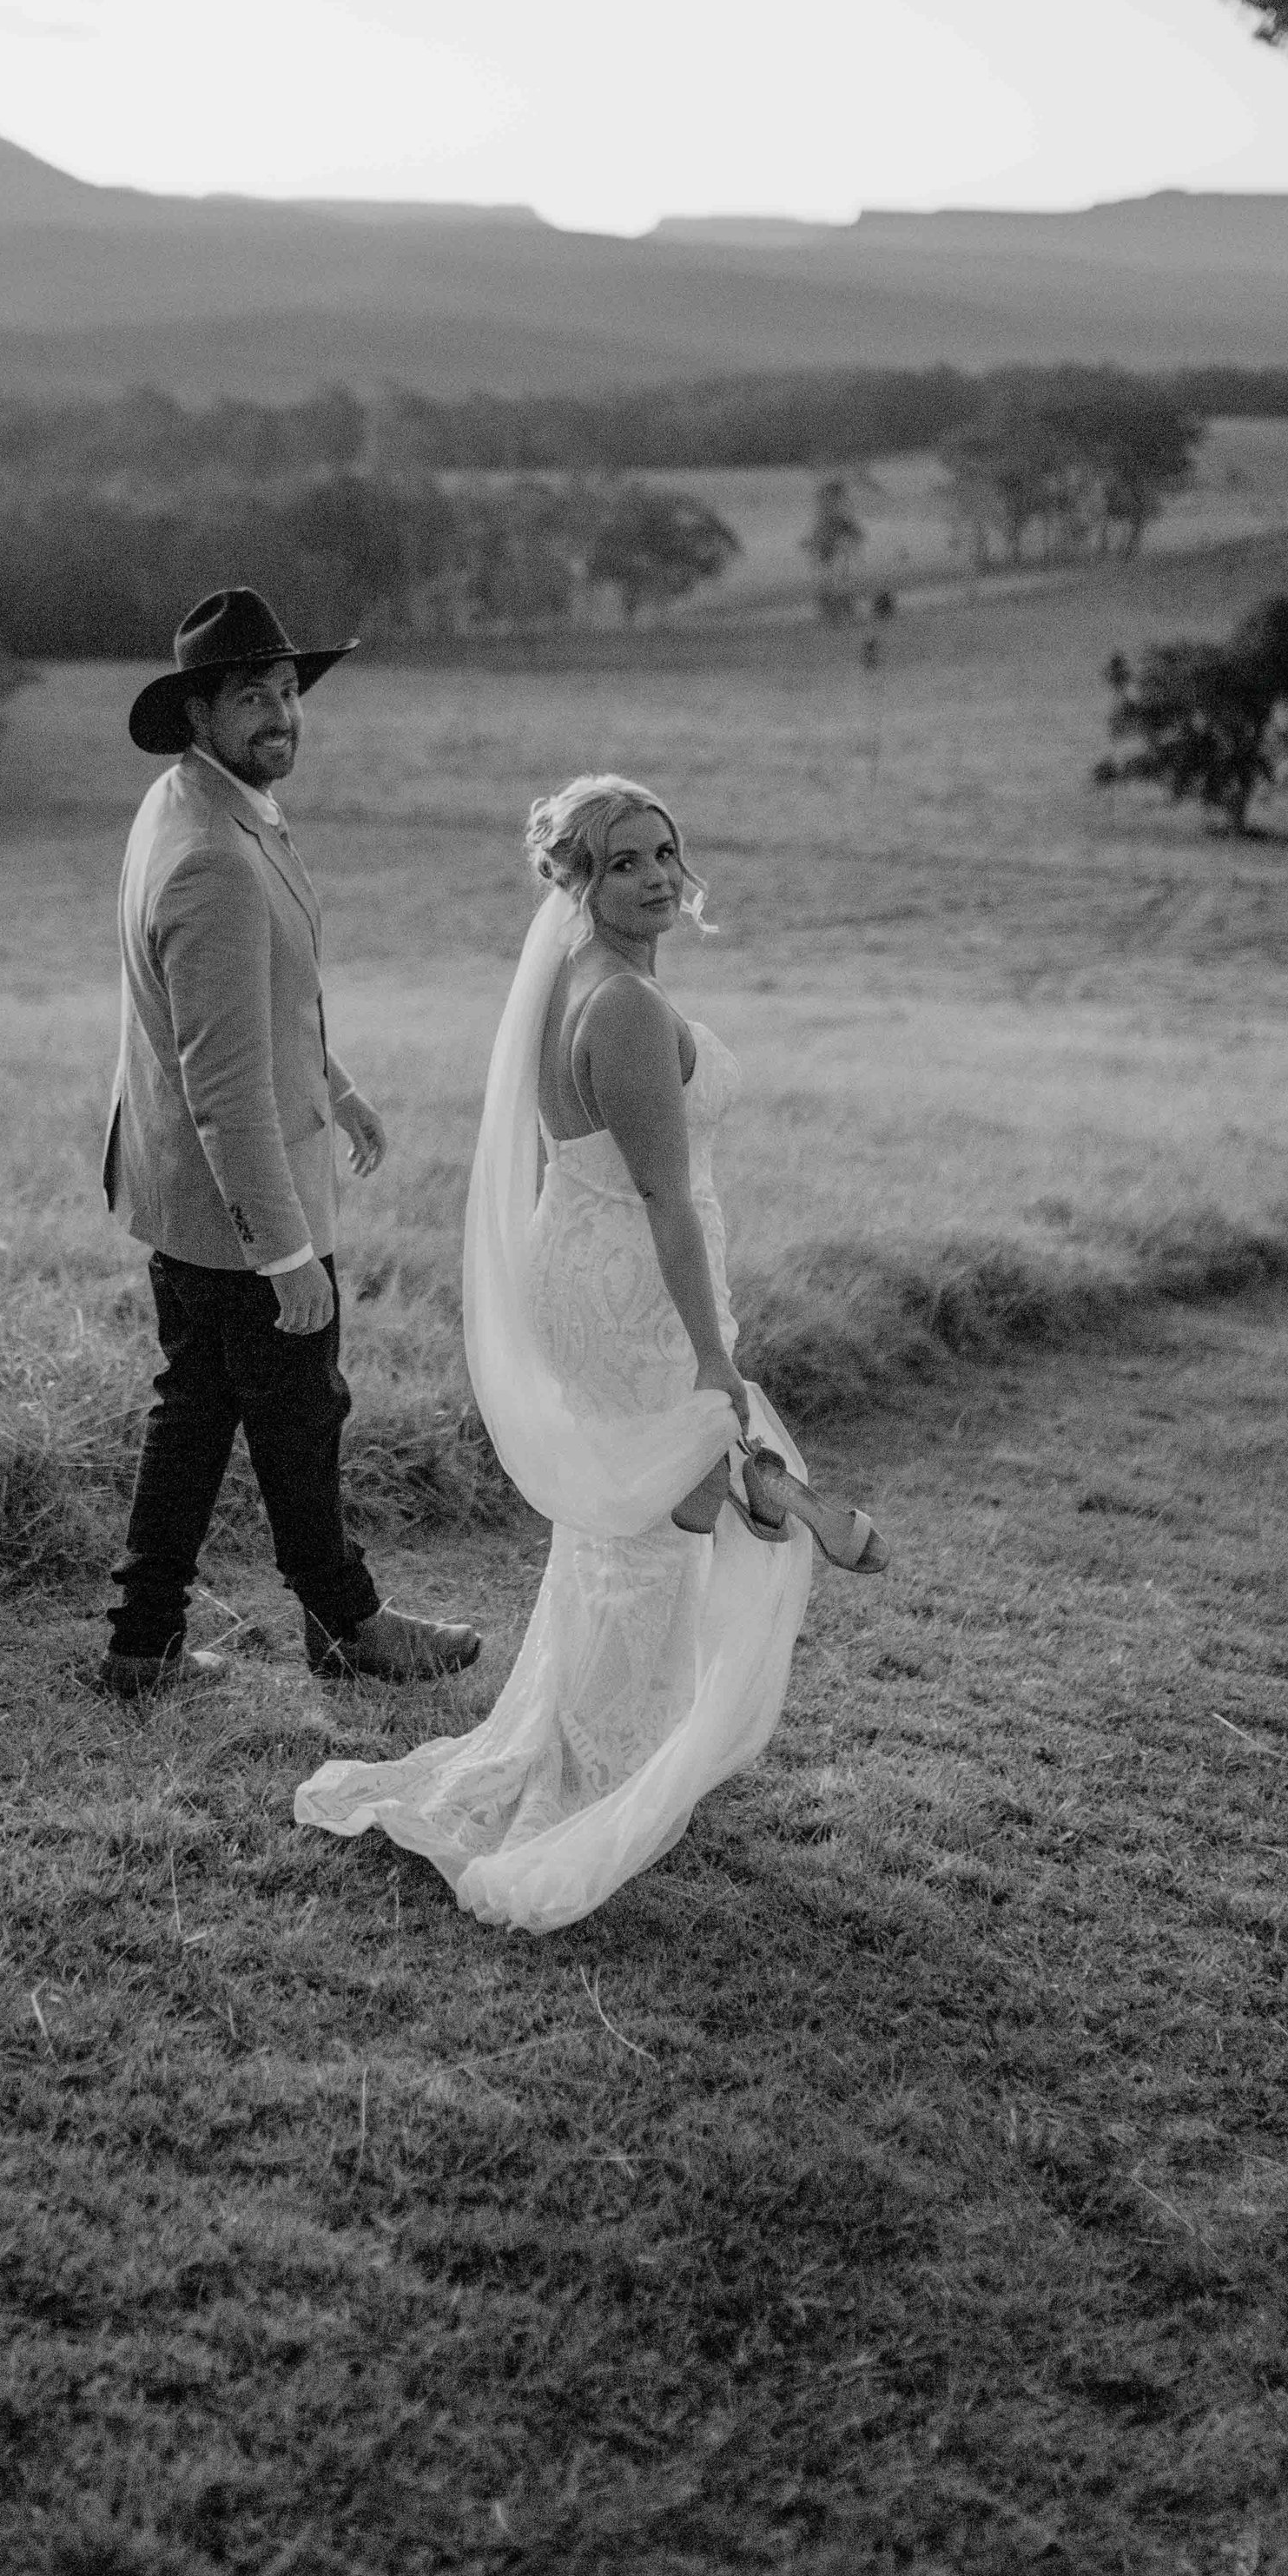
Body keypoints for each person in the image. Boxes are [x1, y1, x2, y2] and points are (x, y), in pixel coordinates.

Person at [295, 774, 886, 1930]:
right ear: (575, 878)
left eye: (667, 850)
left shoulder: (583, 977)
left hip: (593, 1259)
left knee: (625, 1522)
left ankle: (612, 1738)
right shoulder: (616, 1004)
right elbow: (665, 1196)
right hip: (634, 1283)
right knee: (651, 1531)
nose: (658, 875)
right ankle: (609, 1766)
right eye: (624, 861)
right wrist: (714, 1357)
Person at [100, 587, 483, 1701]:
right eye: (251, 699)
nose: (281, 716)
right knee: (300, 1417)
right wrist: (283, 1255)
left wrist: (338, 1084)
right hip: (237, 1208)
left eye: (286, 694)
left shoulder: (195, 805)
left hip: (186, 1191)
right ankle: (349, 1624)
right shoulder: (212, 854)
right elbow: (220, 1077)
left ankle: (142, 1643)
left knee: (197, 1416)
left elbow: (259, 1004)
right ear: (197, 713)